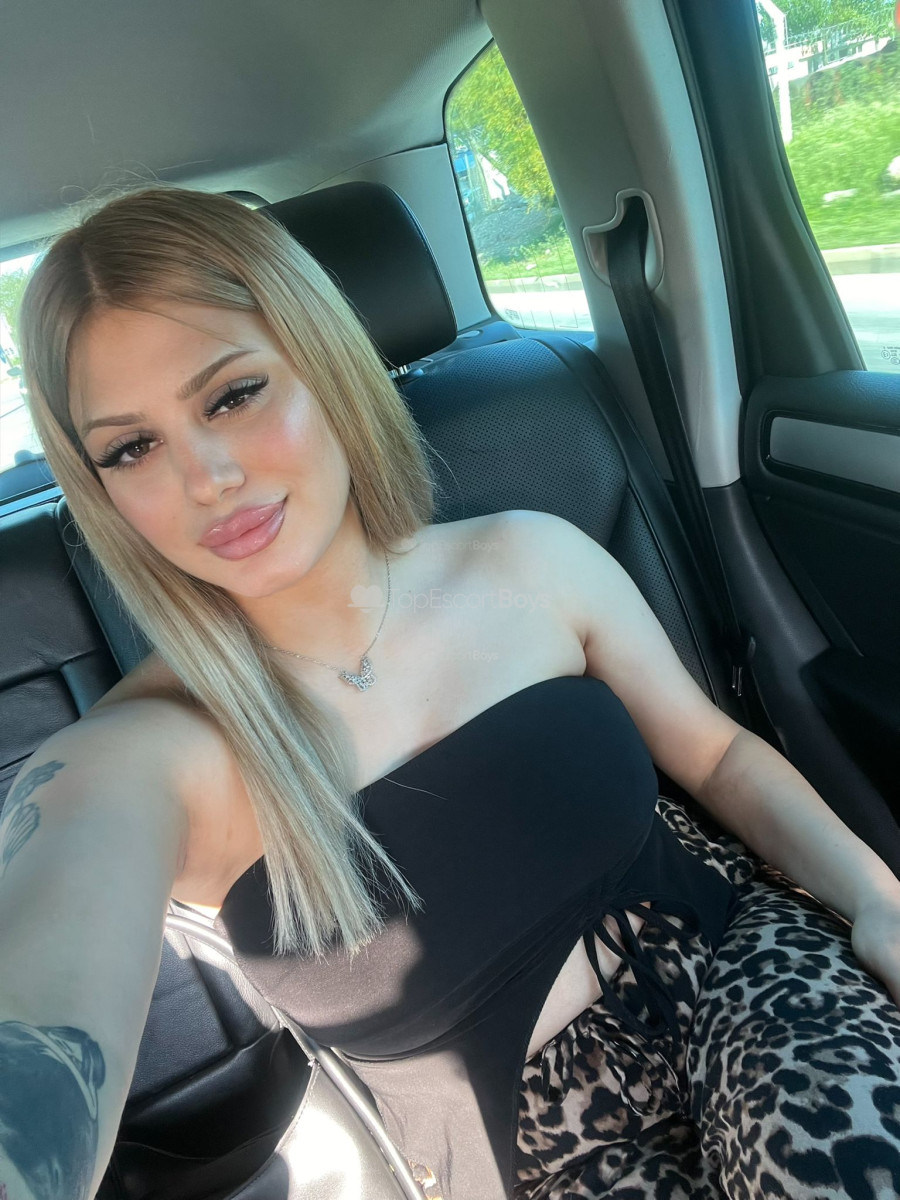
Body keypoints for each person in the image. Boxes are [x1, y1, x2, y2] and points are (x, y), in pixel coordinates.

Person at [3, 184, 900, 1200]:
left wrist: (876, 899)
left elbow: (720, 754)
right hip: (525, 1149)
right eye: (131, 448)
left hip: (743, 970)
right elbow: (39, 1015)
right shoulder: (147, 754)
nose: (206, 475)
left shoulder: (529, 559)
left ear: (323, 362)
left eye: (233, 394)